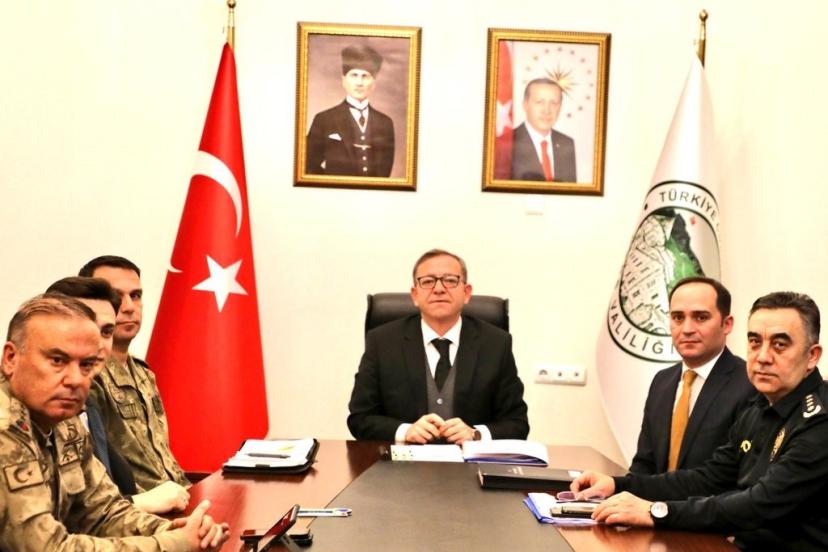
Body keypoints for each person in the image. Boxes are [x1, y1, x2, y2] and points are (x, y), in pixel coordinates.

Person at [572, 291, 828, 551]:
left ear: (812, 356)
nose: (762, 356)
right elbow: (708, 480)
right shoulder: (760, 407)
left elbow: (760, 503)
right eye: (754, 342)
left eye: (780, 344)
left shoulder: (819, 421)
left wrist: (656, 511)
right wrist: (617, 485)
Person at [0, 293, 229, 550]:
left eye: (86, 365)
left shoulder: (64, 420)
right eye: (57, 361)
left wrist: (174, 530)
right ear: (10, 359)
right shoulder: (5, 428)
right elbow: (46, 548)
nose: (75, 379)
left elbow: (104, 512)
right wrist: (173, 544)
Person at [348, 249, 529, 444]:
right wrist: (405, 431)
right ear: (415, 295)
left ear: (466, 292)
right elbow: (359, 418)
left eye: (450, 280)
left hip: (470, 460)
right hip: (403, 460)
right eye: (428, 281)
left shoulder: (496, 344)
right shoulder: (382, 342)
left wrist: (475, 434)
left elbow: (517, 423)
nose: (439, 289)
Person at [46, 276, 190, 514]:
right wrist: (139, 505)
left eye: (106, 332)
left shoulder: (86, 406)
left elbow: (100, 501)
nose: (98, 345)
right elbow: (52, 521)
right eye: (85, 330)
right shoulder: (20, 414)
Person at [79, 255, 189, 492]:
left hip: (177, 494)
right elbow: (99, 469)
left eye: (136, 295)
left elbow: (162, 458)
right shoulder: (87, 376)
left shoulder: (142, 372)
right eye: (115, 296)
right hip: (136, 506)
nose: (128, 307)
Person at [630, 277, 755, 474]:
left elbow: (736, 476)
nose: (687, 329)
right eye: (678, 317)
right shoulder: (662, 381)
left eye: (701, 317)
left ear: (727, 324)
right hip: (654, 495)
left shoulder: (749, 383)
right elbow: (644, 463)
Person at [305, 44, 395, 177]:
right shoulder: (324, 119)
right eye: (354, 75)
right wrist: (331, 182)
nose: (359, 83)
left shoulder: (385, 123)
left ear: (374, 83)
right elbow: (307, 164)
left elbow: (385, 171)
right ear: (343, 81)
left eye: (365, 76)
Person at [510, 78, 576, 182]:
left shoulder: (566, 143)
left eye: (554, 103)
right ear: (525, 105)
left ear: (560, 107)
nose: (547, 110)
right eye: (539, 102)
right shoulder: (508, 142)